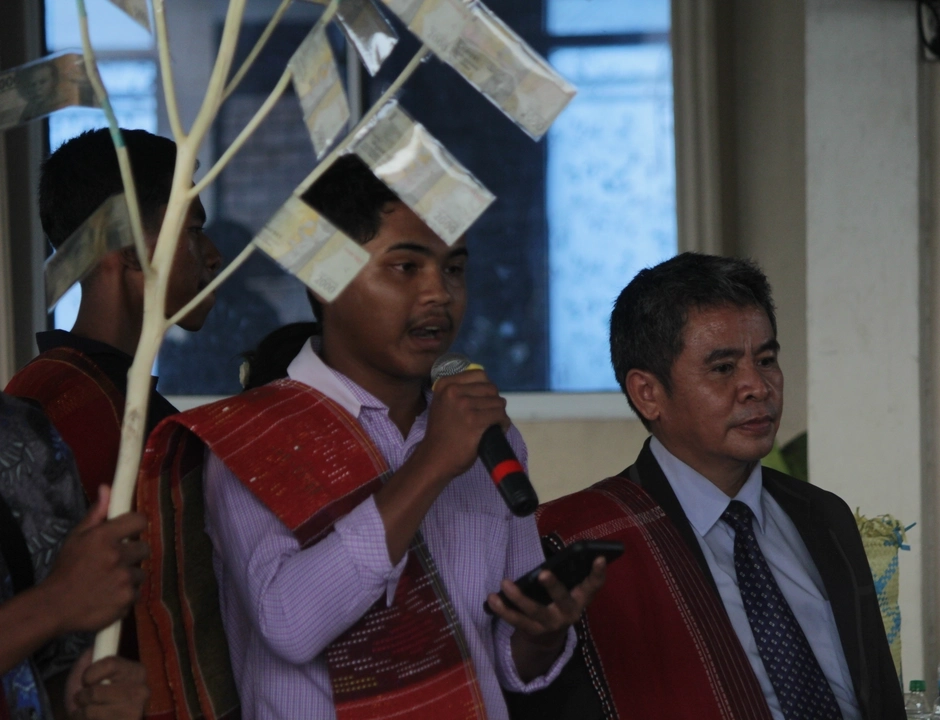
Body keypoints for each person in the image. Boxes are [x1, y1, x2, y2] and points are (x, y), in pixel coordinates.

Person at [137, 154, 606, 719]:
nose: (439, 294)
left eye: (454, 269)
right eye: (406, 267)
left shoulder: (484, 433)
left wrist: (543, 633)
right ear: (323, 279)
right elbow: (289, 623)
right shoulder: (251, 436)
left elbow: (507, 662)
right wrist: (430, 465)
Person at [530, 254, 905, 720]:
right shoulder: (581, 541)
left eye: (766, 360)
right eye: (724, 368)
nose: (757, 387)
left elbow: (879, 694)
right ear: (648, 393)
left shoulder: (822, 515)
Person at [5, 127, 222, 501]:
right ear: (129, 246)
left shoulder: (92, 392)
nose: (214, 255)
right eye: (194, 229)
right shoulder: (67, 410)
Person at [0, 392, 150, 720]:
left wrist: (84, 699)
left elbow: (45, 671)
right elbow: (63, 601)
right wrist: (56, 601)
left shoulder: (24, 434)